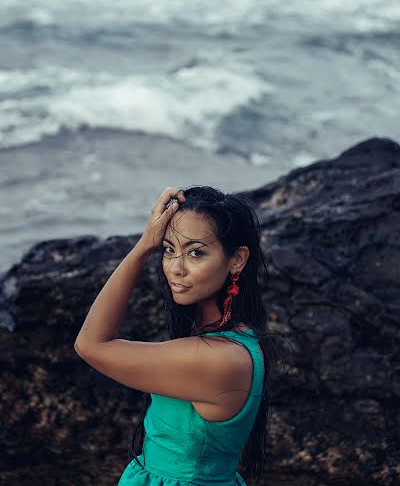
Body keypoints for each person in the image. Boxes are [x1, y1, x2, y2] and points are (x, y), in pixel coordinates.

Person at [74, 185, 289, 486]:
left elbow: (90, 344)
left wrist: (143, 247)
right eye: (168, 249)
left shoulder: (217, 358)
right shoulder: (239, 338)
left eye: (196, 253)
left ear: (237, 259)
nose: (176, 267)